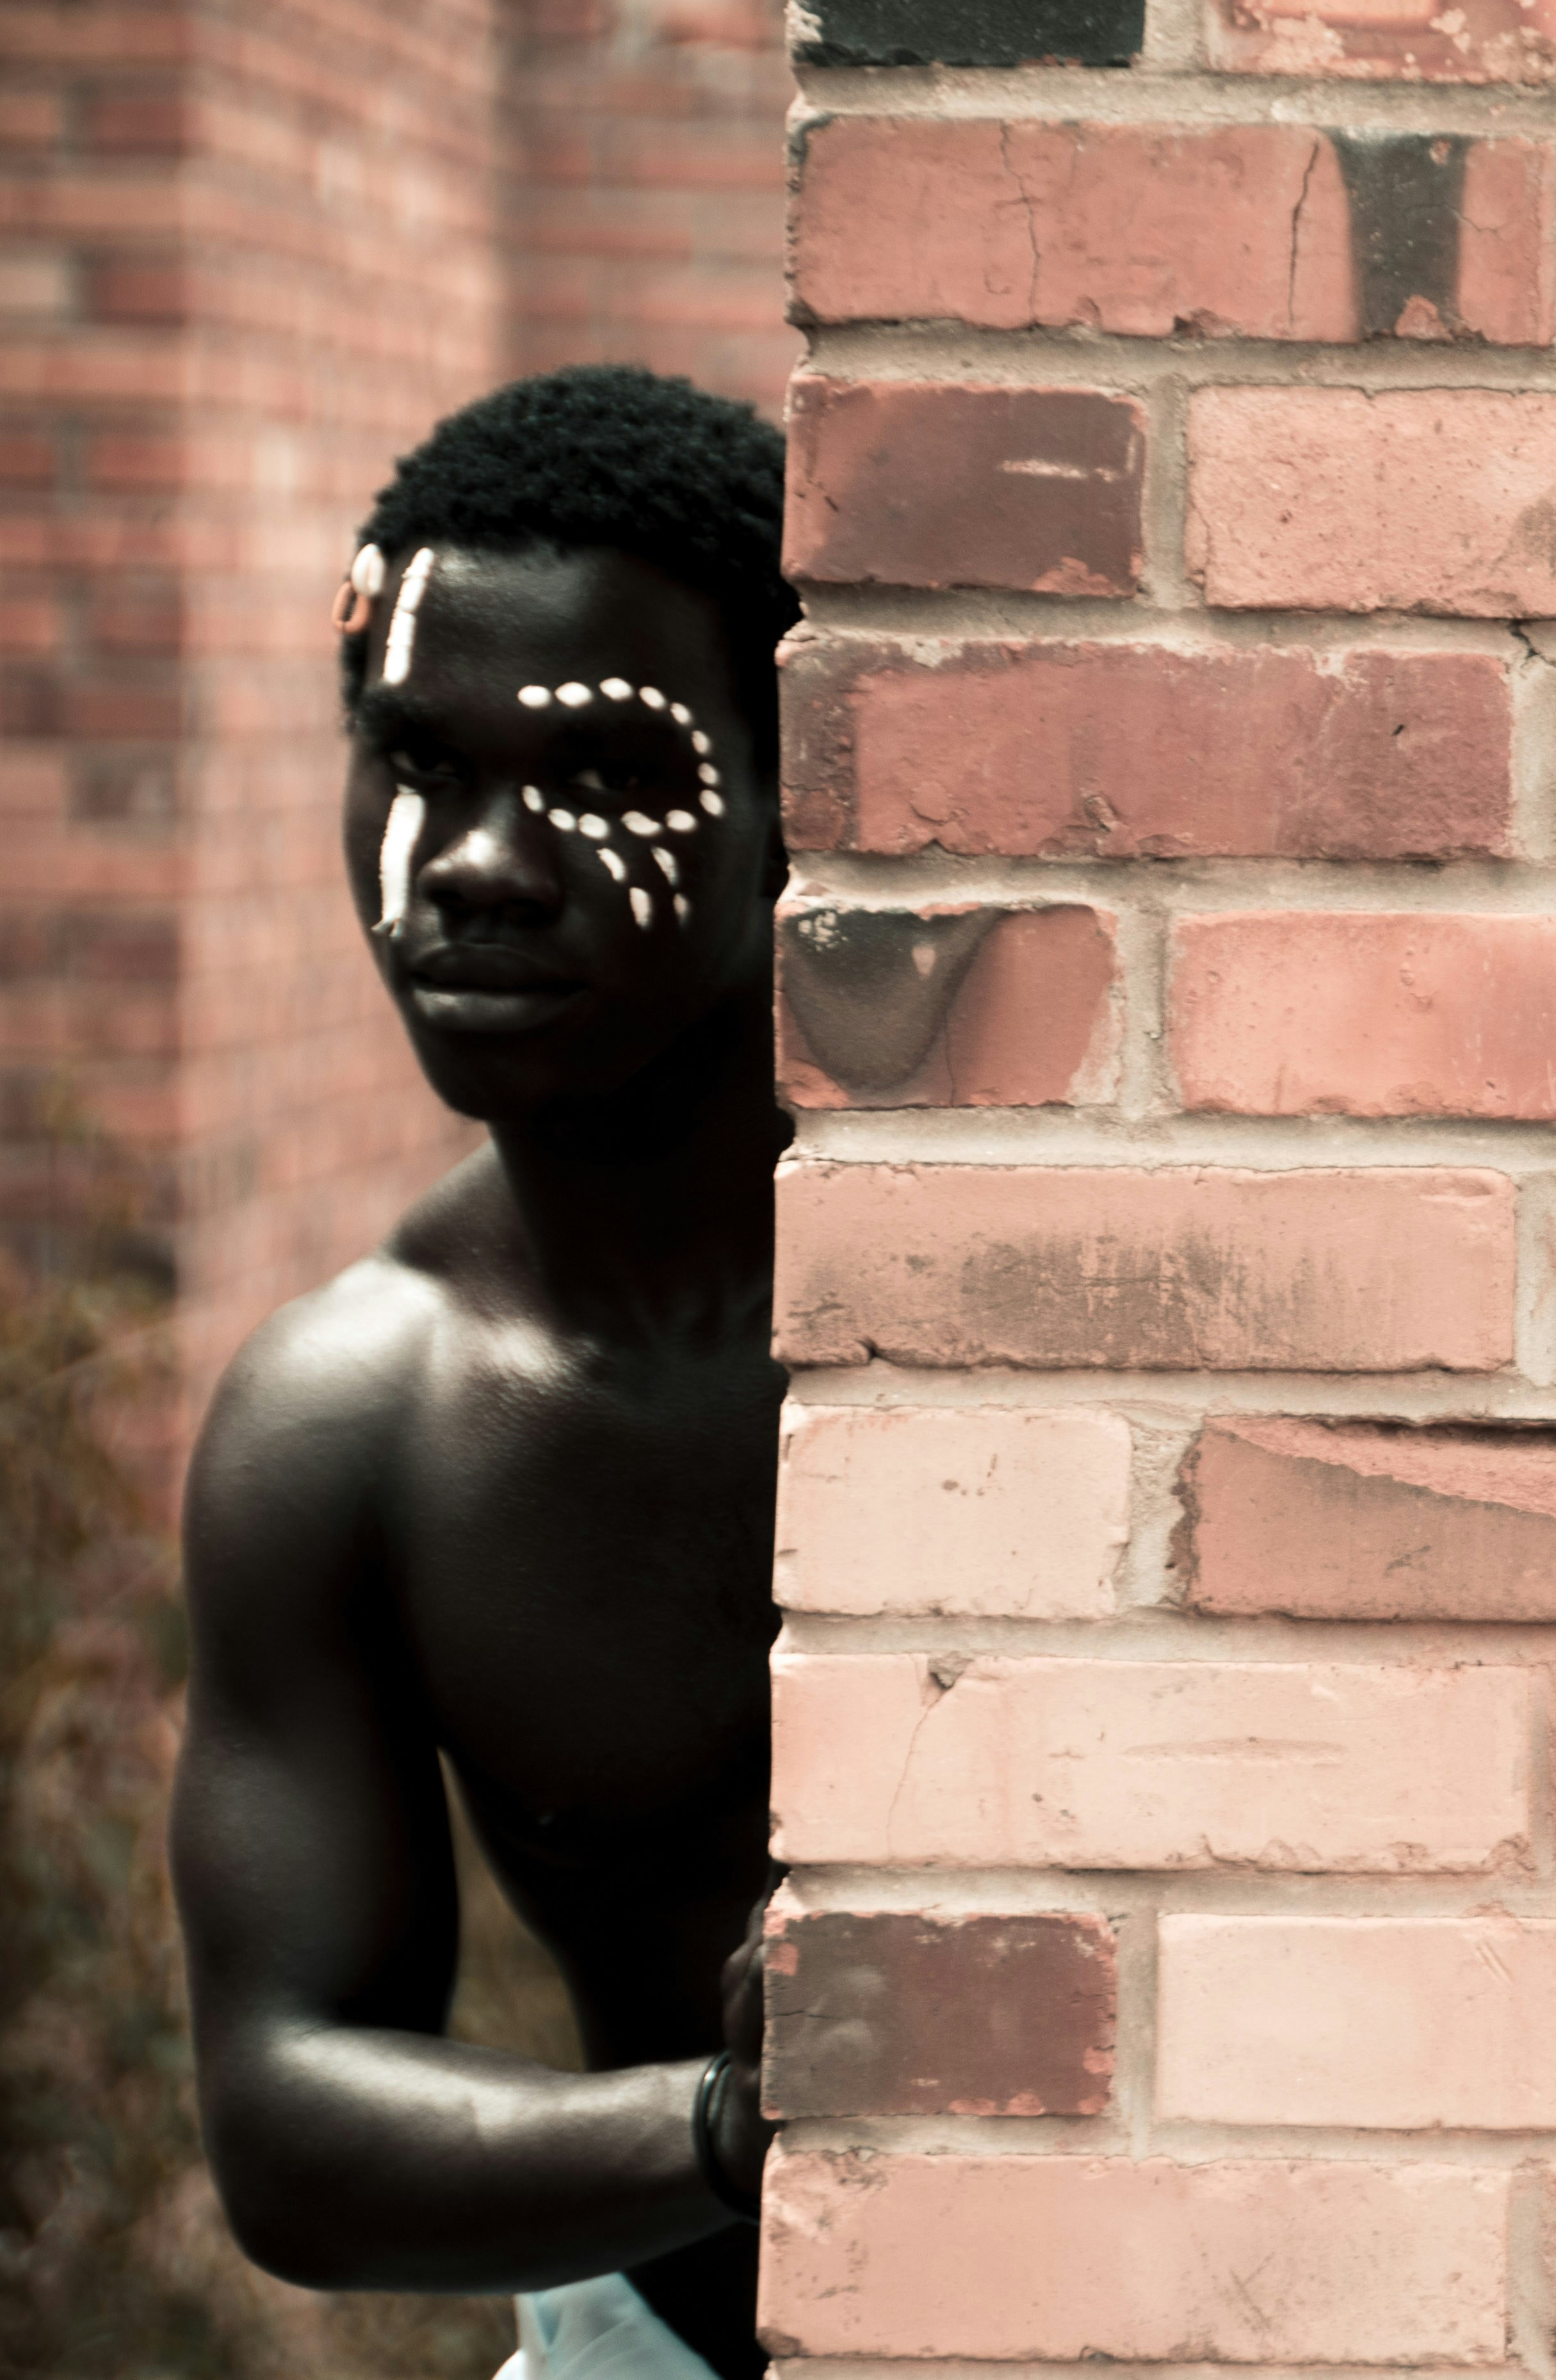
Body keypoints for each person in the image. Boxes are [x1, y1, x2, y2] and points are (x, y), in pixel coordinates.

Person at [170, 366, 799, 2380]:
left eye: (603, 772)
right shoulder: (355, 1416)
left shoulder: (1037, 1301)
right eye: (418, 763)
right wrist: (733, 2126)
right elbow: (286, 2117)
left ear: (800, 794)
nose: (475, 863)